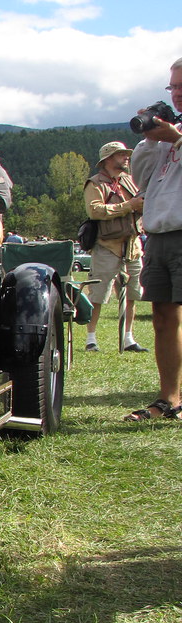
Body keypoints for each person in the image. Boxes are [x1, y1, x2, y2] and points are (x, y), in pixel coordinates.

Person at [125, 57, 182, 420]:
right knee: (162, 316)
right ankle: (169, 399)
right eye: (173, 87)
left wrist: (176, 138)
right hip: (160, 233)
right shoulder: (168, 134)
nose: (177, 94)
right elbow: (142, 180)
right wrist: (150, 138)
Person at [82, 140, 146, 353]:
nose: (126, 158)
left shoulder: (130, 181)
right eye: (121, 155)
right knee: (98, 295)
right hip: (107, 245)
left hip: (132, 246)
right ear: (108, 159)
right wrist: (128, 206)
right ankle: (91, 338)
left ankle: (129, 337)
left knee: (132, 294)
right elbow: (95, 211)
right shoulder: (96, 183)